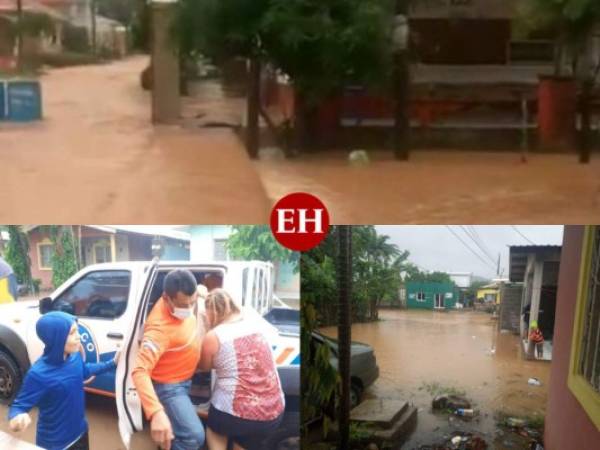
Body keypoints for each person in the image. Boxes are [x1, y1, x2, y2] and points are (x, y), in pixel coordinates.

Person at [7, 311, 117, 450]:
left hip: (81, 433)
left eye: (77, 331)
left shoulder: (74, 357)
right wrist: (17, 418)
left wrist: (112, 363)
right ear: (56, 338)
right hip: (56, 444)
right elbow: (19, 406)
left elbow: (85, 371)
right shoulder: (38, 374)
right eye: (72, 333)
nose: (79, 337)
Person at [200, 288, 284, 450]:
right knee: (245, 441)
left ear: (212, 312)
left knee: (215, 429)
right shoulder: (255, 323)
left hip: (235, 417)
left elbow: (204, 367)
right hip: (273, 412)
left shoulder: (214, 335)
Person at [131, 269, 205, 450]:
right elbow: (139, 371)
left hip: (185, 379)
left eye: (192, 303)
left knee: (177, 430)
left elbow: (198, 293)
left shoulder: (186, 296)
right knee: (194, 437)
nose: (188, 309)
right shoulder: (158, 330)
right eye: (182, 305)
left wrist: (201, 292)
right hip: (169, 387)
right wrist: (156, 412)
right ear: (166, 298)